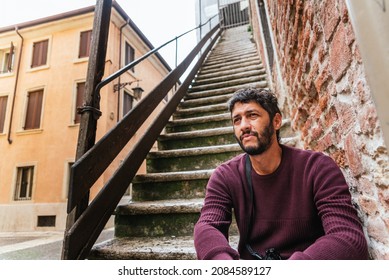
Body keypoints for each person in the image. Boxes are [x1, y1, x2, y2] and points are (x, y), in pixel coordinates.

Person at [193, 87, 369, 260]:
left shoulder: (317, 167)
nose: (244, 126)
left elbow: (348, 236)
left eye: (252, 115)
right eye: (237, 120)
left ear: (276, 121)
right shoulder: (225, 176)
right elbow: (208, 226)